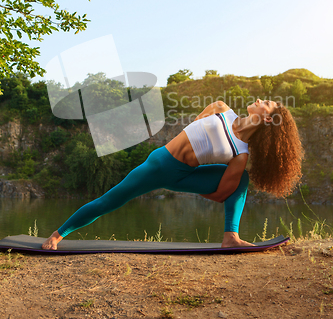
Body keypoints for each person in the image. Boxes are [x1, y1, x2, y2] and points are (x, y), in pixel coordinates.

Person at [41, 98, 303, 250]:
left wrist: (190, 185)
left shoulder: (240, 155)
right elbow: (195, 127)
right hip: (160, 164)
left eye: (266, 103)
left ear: (268, 119)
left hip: (184, 175)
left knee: (241, 180)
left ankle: (230, 237)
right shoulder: (222, 108)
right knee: (112, 199)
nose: (259, 100)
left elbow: (224, 192)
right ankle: (57, 235)